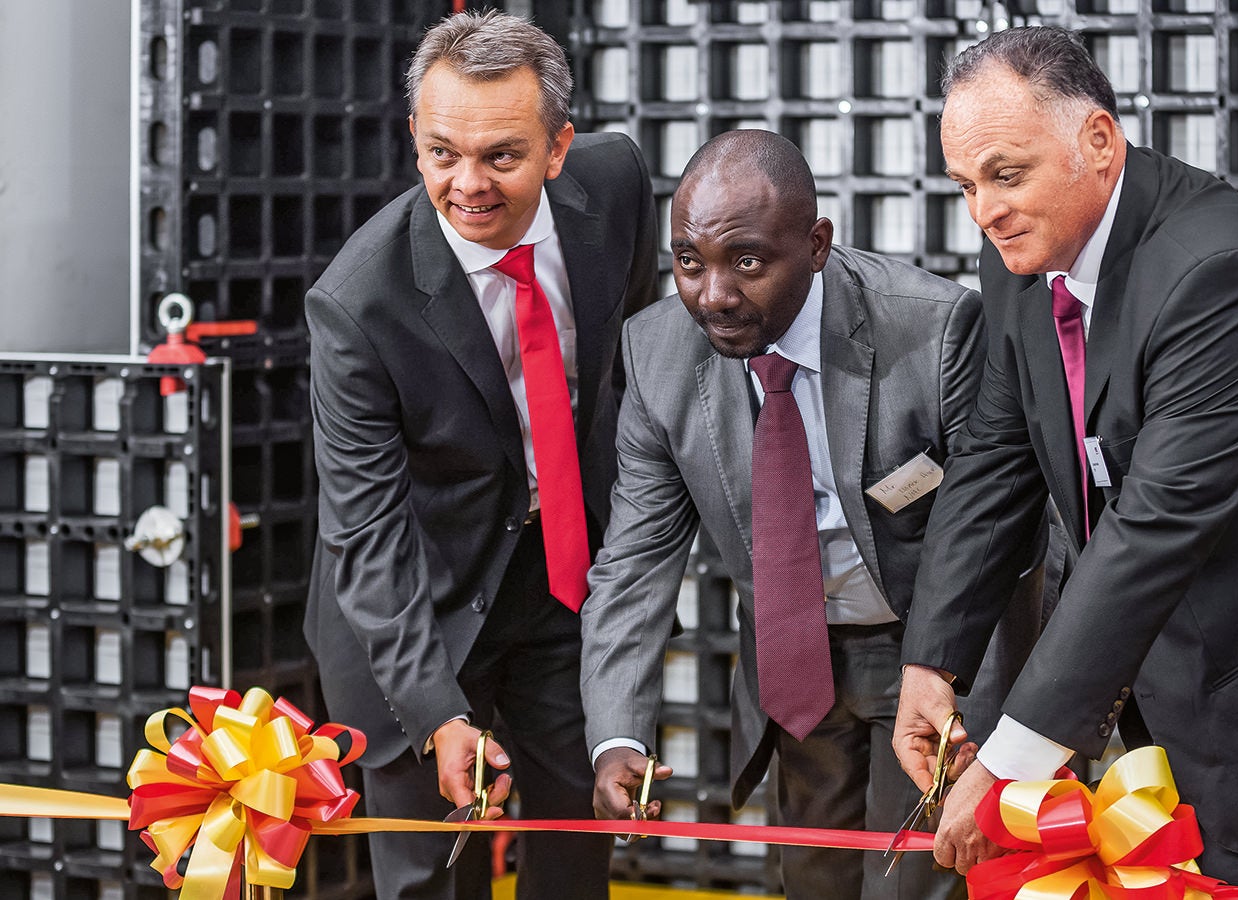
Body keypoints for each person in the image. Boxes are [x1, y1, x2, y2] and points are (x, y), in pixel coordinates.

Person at [893, 25, 1238, 890]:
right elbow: (993, 455)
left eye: (1005, 175)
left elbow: (1155, 522)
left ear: (1096, 140)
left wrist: (1013, 757)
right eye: (965, 185)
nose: (984, 211)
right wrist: (931, 659)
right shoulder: (1025, 254)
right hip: (1158, 706)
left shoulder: (1225, 271)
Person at [579, 129, 1054, 899]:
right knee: (812, 878)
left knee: (911, 884)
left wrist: (955, 680)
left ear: (816, 244)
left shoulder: (934, 331)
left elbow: (1002, 527)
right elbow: (634, 561)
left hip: (935, 650)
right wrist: (616, 734)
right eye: (689, 261)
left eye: (747, 262)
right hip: (796, 661)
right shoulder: (655, 351)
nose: (713, 294)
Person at [303, 11, 658, 899]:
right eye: (441, 153)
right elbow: (367, 530)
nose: (468, 184)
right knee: (430, 879)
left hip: (563, 574)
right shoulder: (357, 303)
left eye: (501, 154)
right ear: (414, 139)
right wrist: (435, 716)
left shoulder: (616, 186)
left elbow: (641, 349)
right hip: (414, 603)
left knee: (577, 859)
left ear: (558, 146)